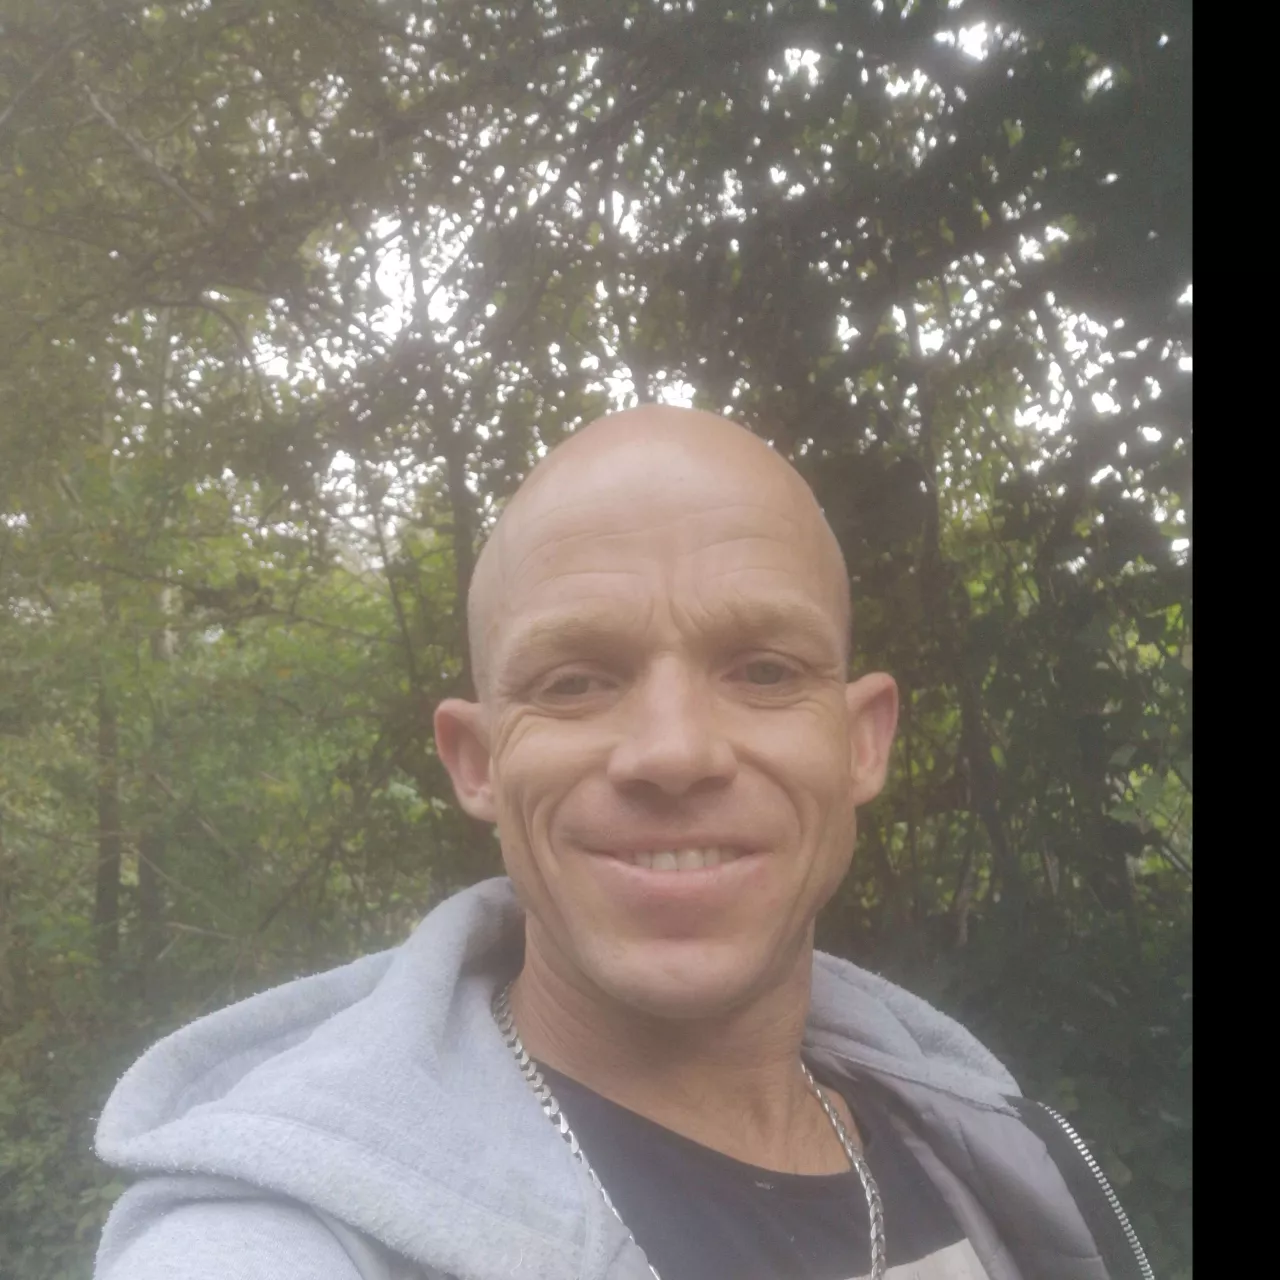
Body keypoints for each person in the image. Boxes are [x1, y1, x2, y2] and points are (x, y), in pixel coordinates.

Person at [94, 406, 1153, 1280]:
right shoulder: (283, 1237)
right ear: (477, 761)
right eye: (574, 681)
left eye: (764, 670)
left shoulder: (998, 1164)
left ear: (860, 742)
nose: (673, 751)